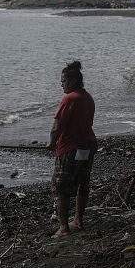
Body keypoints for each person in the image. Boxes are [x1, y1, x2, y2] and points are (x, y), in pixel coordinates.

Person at [47, 60, 97, 238]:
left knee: (61, 186)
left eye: (64, 81)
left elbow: (57, 126)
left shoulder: (70, 98)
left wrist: (52, 143)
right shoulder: (87, 97)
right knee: (82, 182)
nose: (61, 84)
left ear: (74, 81)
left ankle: (63, 228)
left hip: (71, 147)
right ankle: (78, 220)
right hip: (88, 145)